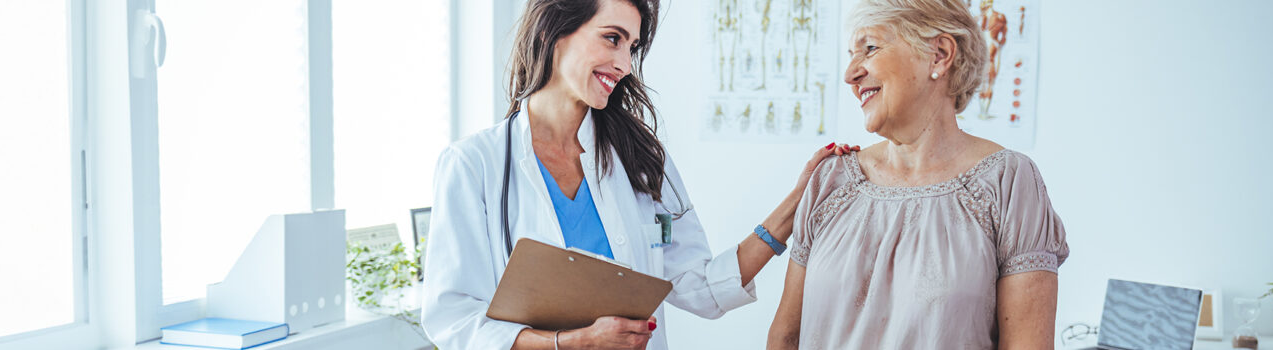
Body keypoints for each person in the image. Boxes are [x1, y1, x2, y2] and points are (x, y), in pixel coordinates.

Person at [419, 0, 855, 349]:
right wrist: (571, 343)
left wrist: (796, 203)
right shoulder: (474, 165)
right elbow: (453, 319)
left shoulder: (639, 159)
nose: (625, 63)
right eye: (612, 39)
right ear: (554, 31)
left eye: (631, 47)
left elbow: (698, 286)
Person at [765, 0, 1069, 348]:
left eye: (870, 48)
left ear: (939, 55)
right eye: (851, 54)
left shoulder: (1009, 182)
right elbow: (785, 337)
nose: (850, 74)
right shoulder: (830, 179)